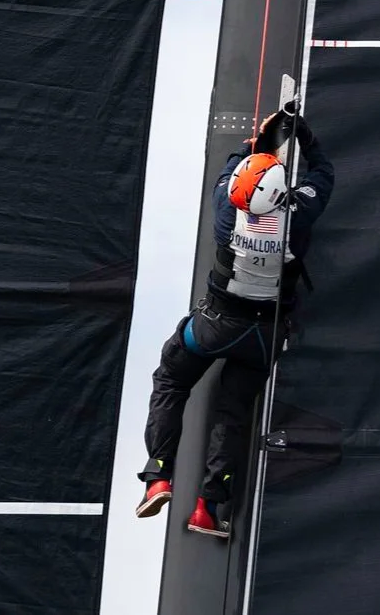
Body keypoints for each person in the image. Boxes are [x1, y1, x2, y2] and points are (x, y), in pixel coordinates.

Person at [135, 103, 334, 538]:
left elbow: (230, 170)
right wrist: (305, 138)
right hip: (262, 335)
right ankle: (208, 508)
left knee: (171, 380)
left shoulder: (227, 212)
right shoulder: (298, 217)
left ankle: (158, 477)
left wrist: (257, 144)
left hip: (214, 324)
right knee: (233, 413)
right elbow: (323, 177)